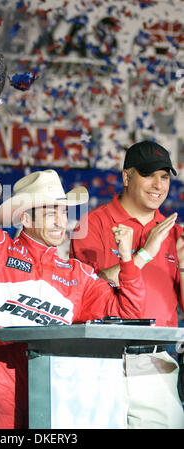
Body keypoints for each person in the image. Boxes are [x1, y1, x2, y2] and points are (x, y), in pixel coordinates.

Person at [0, 112, 147, 429]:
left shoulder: (78, 275)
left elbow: (129, 311)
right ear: (26, 219)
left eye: (64, 212)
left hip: (52, 384)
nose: (62, 221)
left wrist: (127, 259)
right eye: (51, 212)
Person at [71, 140, 184, 429]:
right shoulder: (93, 224)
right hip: (101, 362)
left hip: (156, 363)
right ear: (126, 177)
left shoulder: (175, 233)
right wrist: (144, 253)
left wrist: (183, 265)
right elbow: (87, 291)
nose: (158, 185)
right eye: (149, 174)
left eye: (164, 176)